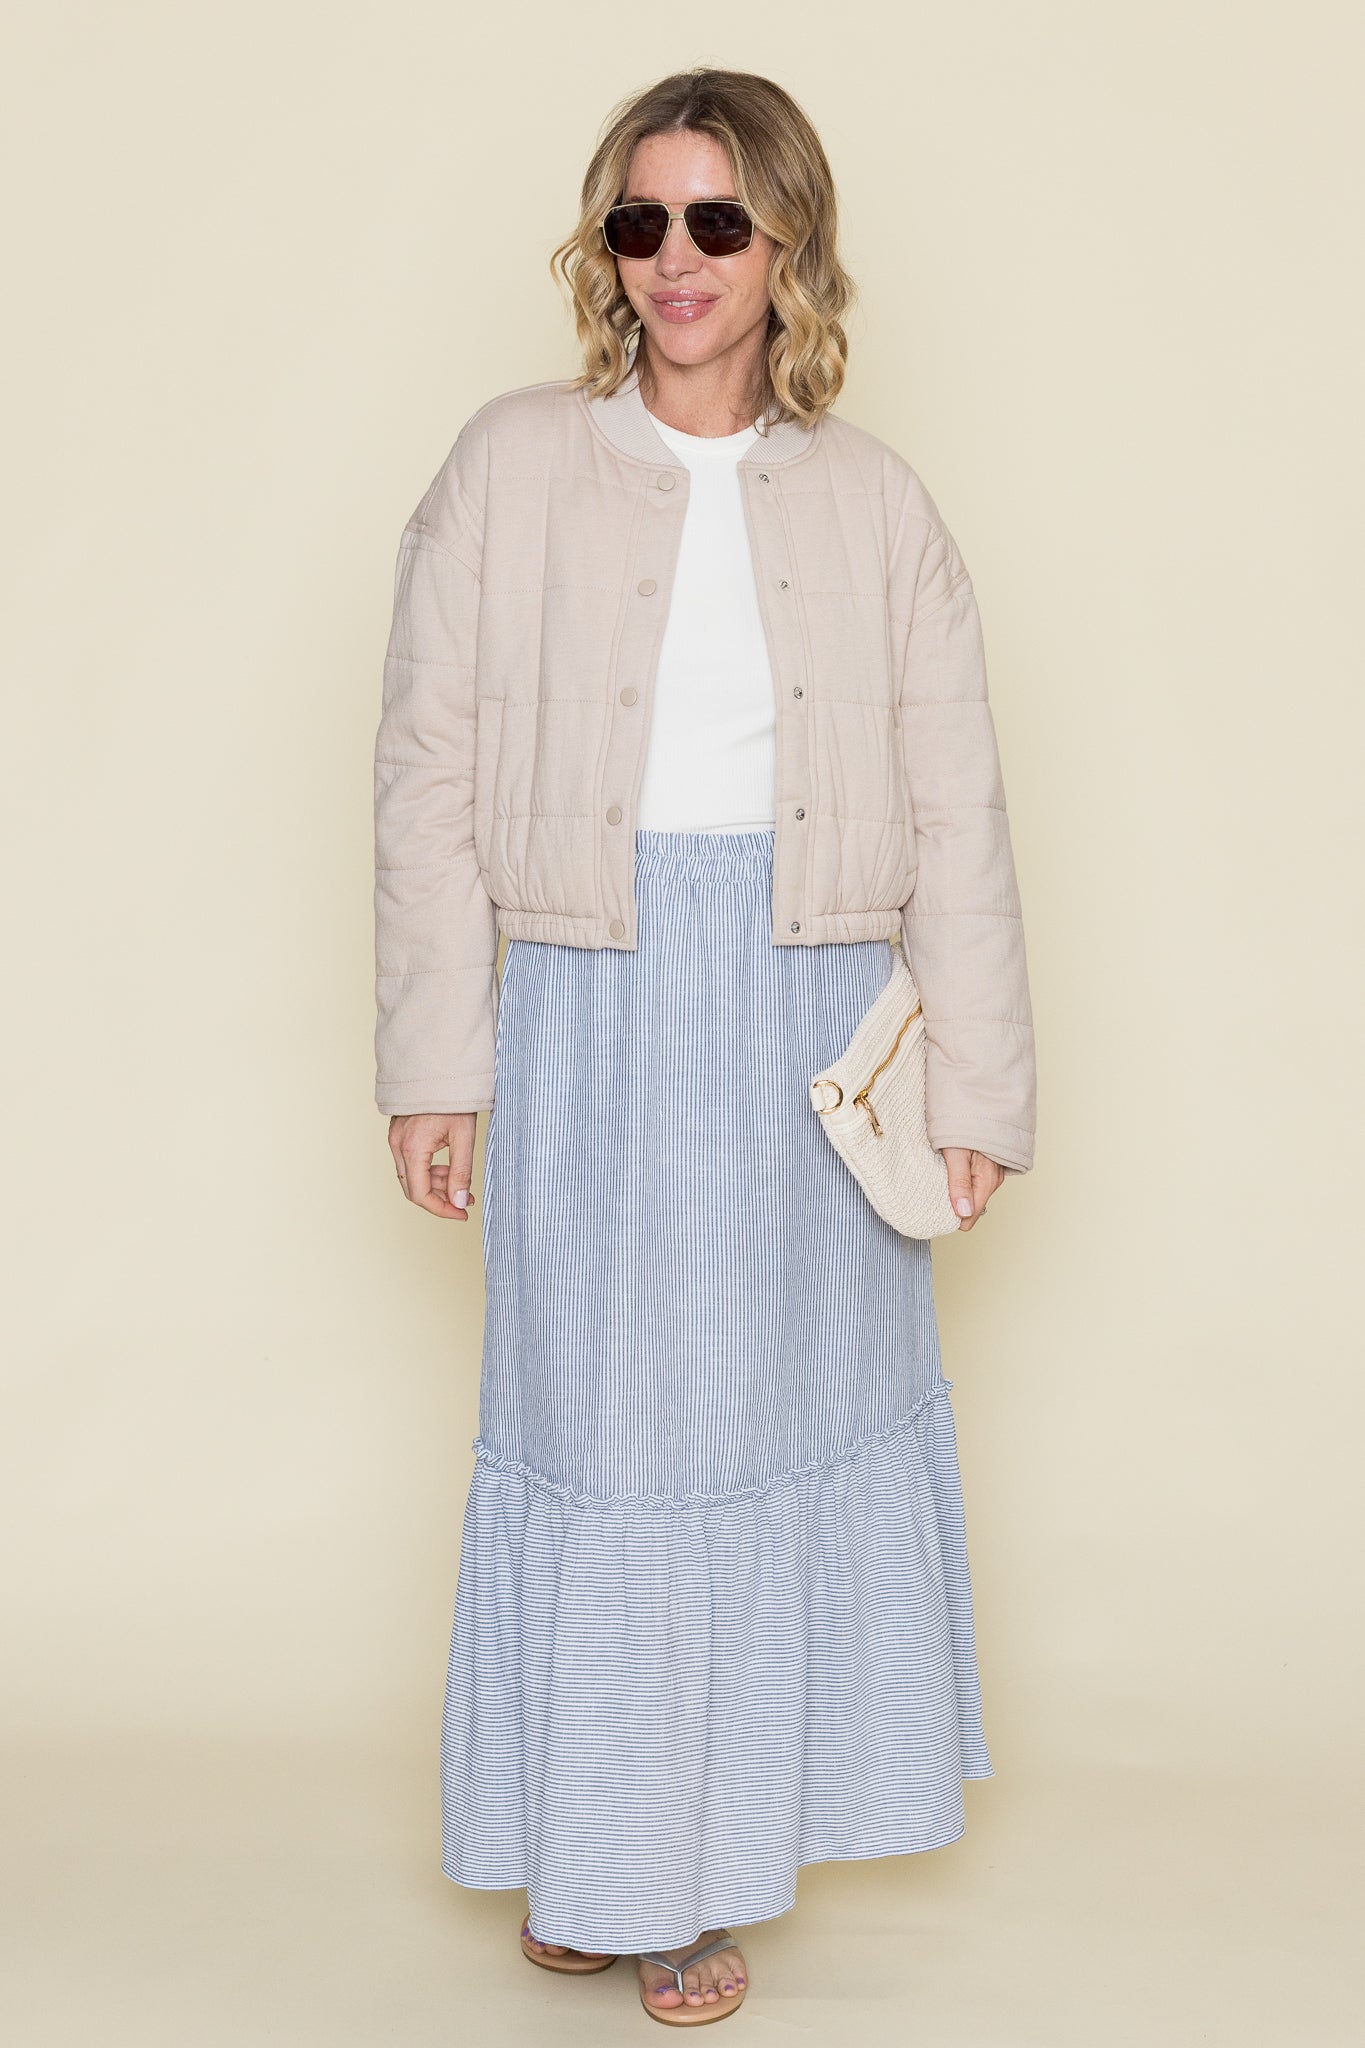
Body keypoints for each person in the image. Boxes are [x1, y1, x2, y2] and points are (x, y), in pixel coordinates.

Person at [373, 66, 1035, 2029]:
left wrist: (978, 1086)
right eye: (640, 222)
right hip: (589, 997)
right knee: (611, 1443)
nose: (675, 260)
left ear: (785, 248)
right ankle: (604, 1862)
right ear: (607, 249)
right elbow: (424, 773)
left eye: (717, 223)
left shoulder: (876, 501)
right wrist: (436, 1057)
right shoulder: (509, 464)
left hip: (812, 1019)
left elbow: (958, 811)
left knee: (756, 1437)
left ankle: (683, 1877)